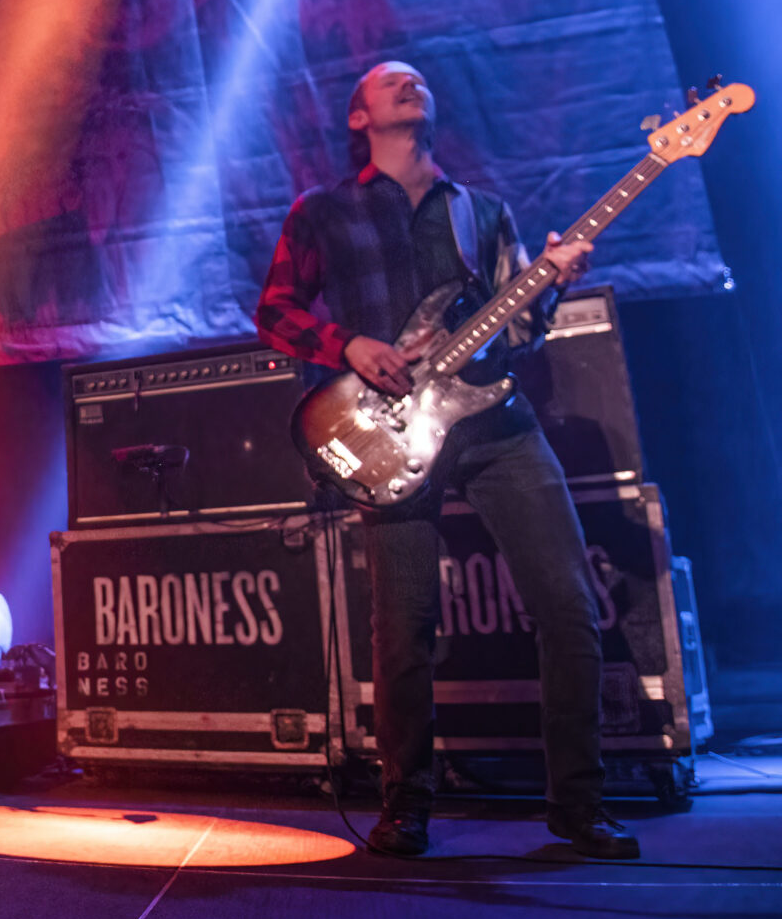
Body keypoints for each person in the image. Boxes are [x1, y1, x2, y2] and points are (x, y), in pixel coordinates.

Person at [256, 61, 634, 859]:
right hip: (390, 434)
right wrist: (348, 345)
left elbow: (520, 330)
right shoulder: (323, 210)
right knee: (404, 627)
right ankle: (406, 808)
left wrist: (550, 284)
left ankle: (579, 804)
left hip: (496, 424)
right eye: (390, 81)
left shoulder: (481, 211)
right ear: (358, 117)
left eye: (418, 80)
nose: (410, 83)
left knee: (570, 605)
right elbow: (275, 311)